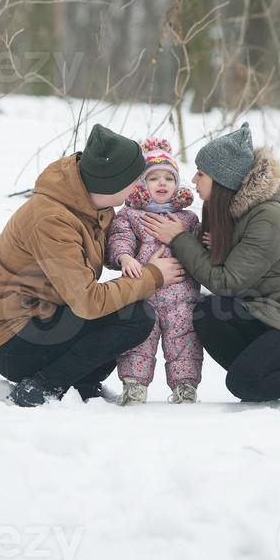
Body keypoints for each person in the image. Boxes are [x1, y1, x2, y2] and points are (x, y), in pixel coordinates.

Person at [140, 122, 280, 404]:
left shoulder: (268, 217)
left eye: (201, 173)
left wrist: (181, 239)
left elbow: (227, 282)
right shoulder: (232, 213)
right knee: (206, 313)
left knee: (242, 383)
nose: (193, 180)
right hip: (270, 314)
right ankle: (262, 376)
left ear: (222, 180)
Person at [0, 124, 185, 407]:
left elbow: (114, 246)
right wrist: (152, 277)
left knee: (123, 317)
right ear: (112, 183)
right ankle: (42, 386)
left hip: (50, 315)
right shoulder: (52, 219)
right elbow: (87, 301)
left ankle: (81, 382)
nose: (139, 187)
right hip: (13, 341)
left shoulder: (92, 202)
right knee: (135, 316)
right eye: (134, 180)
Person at [105, 138, 203, 405]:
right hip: (142, 291)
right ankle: (134, 385)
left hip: (181, 296)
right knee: (138, 342)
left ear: (176, 184)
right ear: (142, 184)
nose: (162, 184)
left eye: (169, 178)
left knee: (184, 341)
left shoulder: (189, 219)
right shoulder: (130, 215)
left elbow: (198, 250)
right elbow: (120, 238)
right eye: (154, 178)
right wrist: (125, 257)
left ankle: (185, 387)